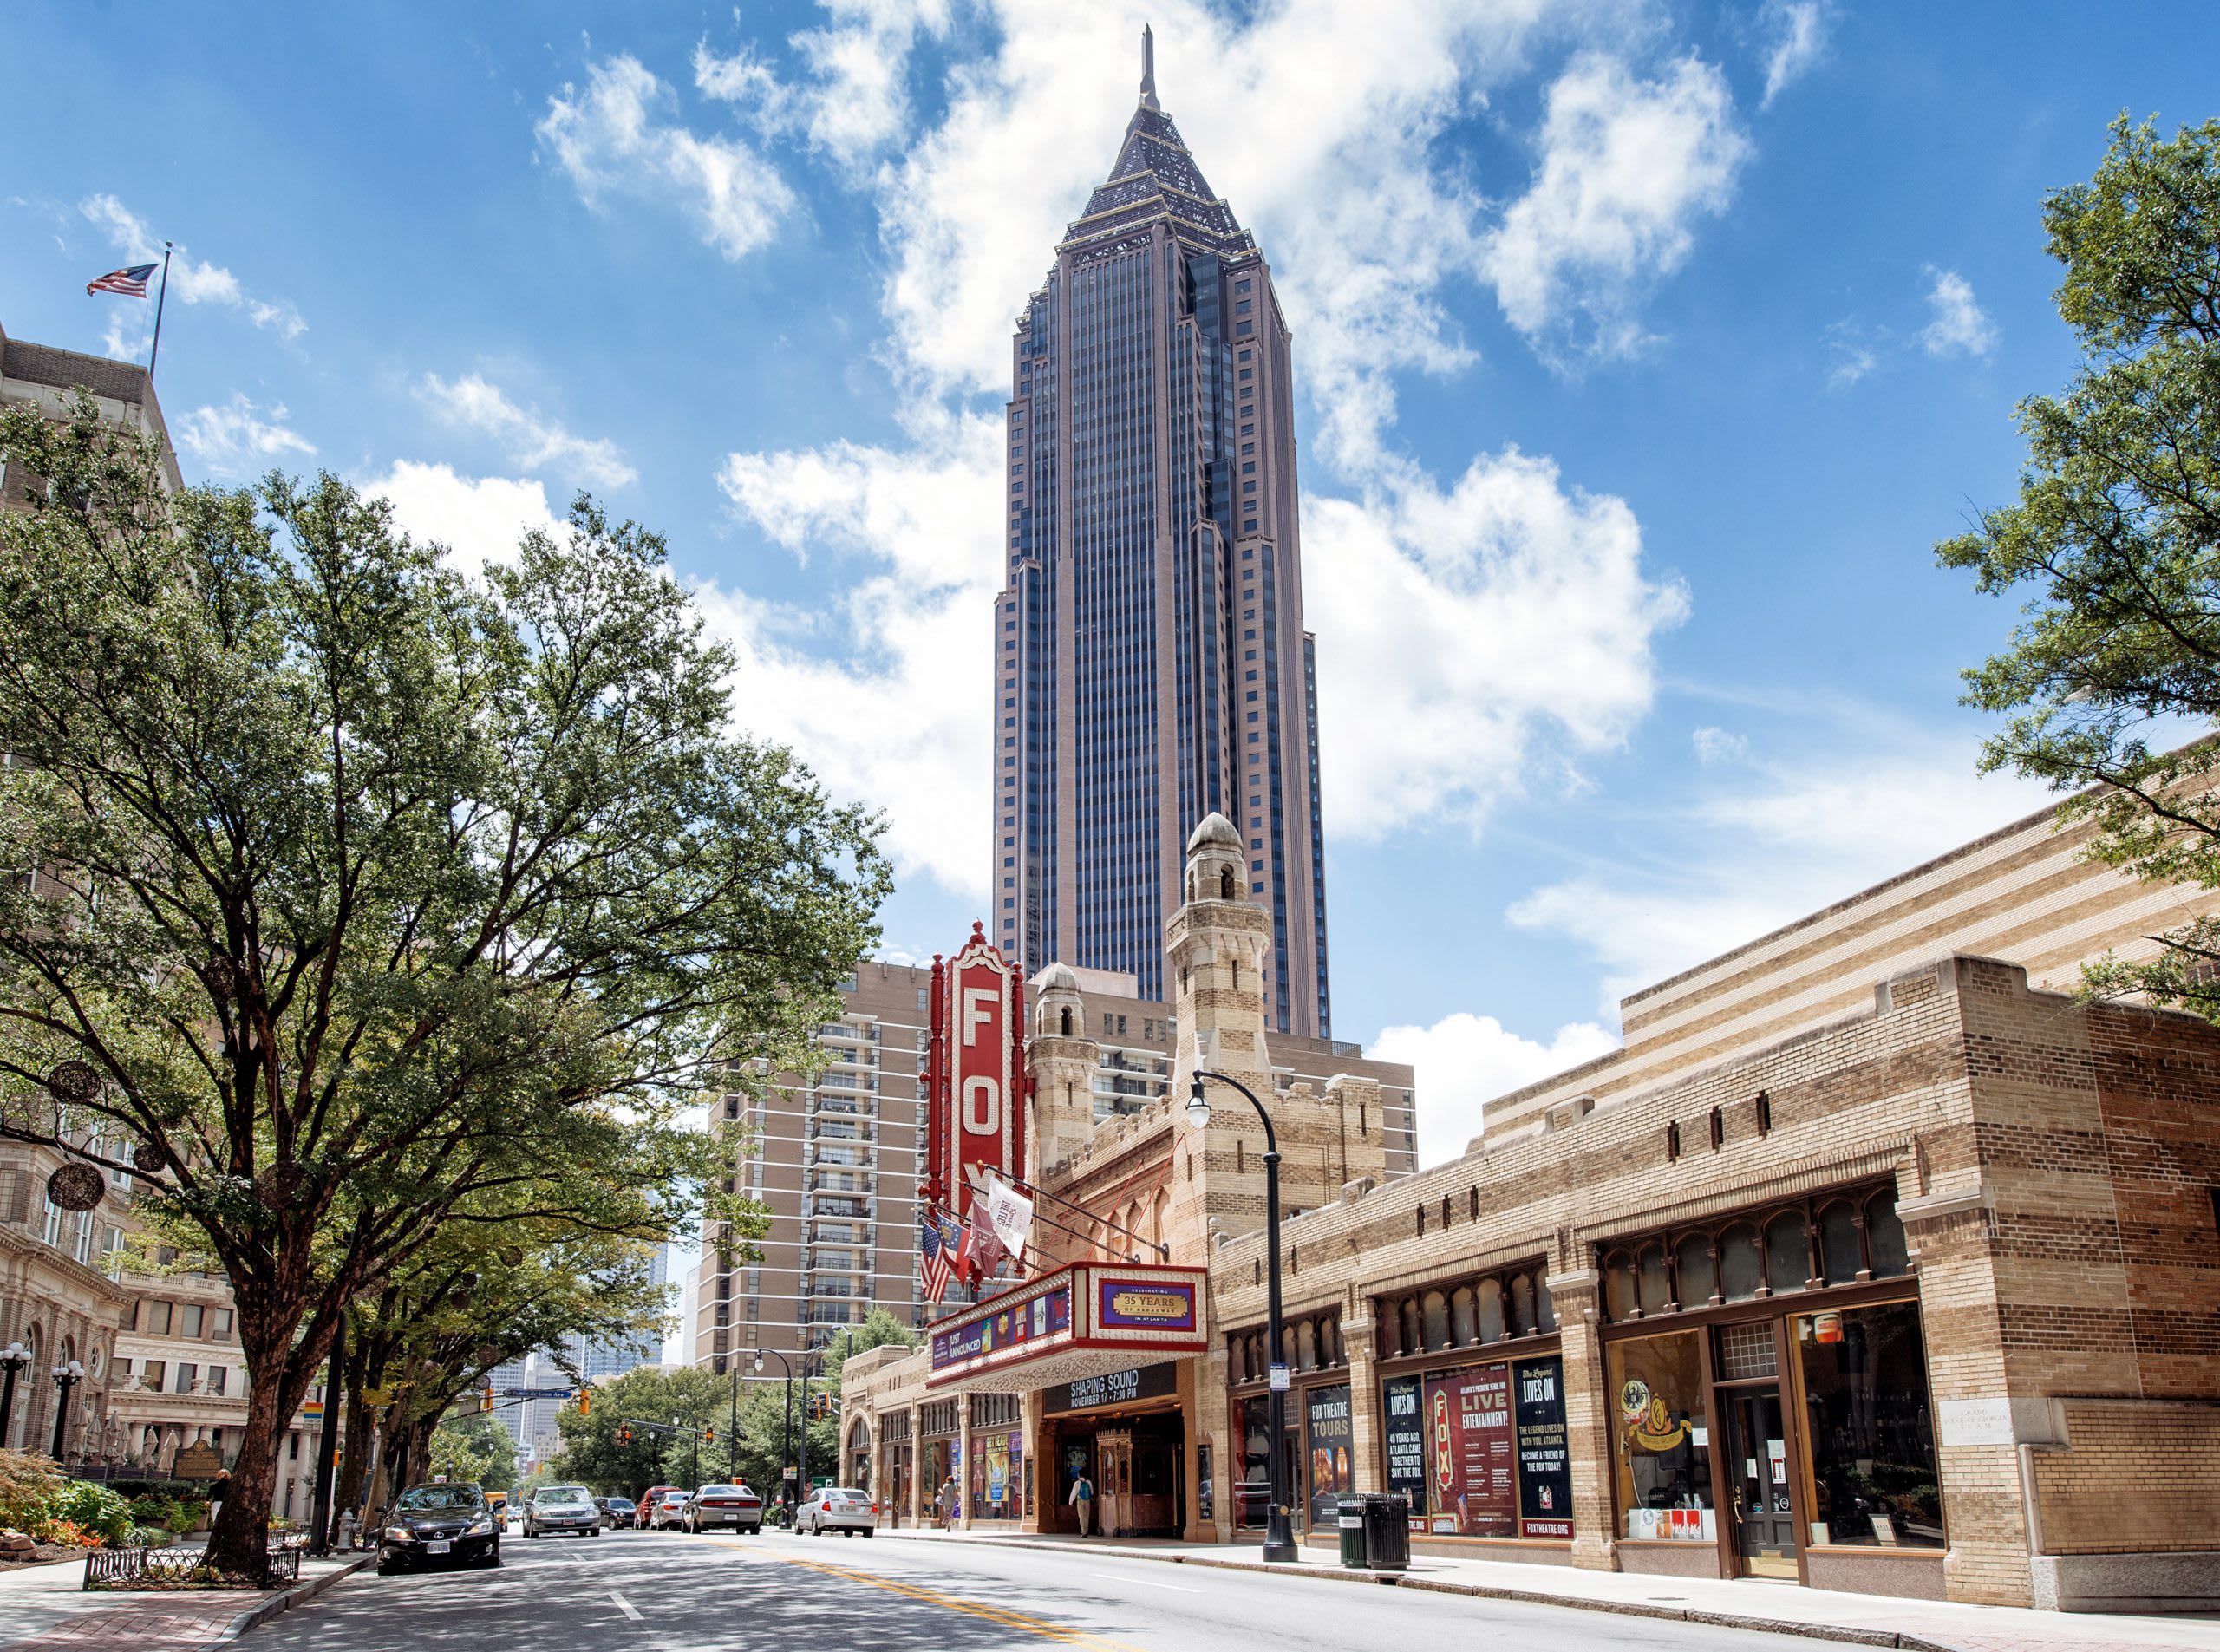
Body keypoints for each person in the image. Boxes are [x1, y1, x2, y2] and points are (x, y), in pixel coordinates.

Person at [1068, 1468, 1094, 1538]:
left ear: (1079, 1475)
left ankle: (1083, 1532)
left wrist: (1070, 1502)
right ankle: (1086, 1531)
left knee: (1081, 1517)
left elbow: (1074, 1493)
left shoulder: (1077, 1483)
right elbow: (1092, 1492)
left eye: (1078, 1474)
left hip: (1080, 1500)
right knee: (1086, 1516)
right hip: (1087, 1500)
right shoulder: (1089, 1482)